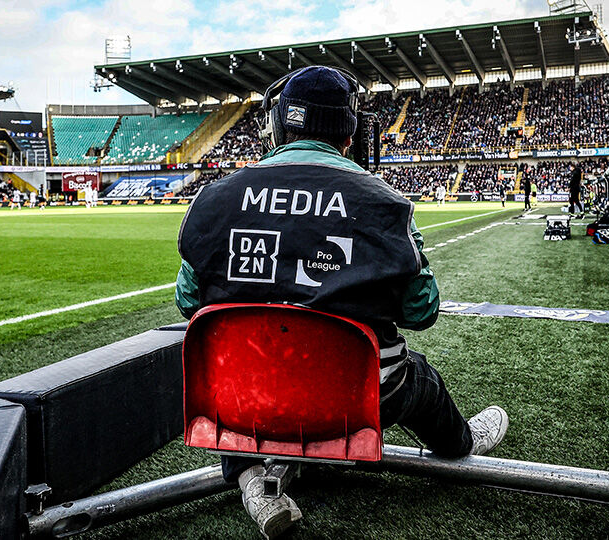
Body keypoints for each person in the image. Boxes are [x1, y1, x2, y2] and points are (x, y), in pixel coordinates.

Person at [174, 66, 509, 539]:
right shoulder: (385, 203)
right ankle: (462, 443)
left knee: (241, 360)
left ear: (278, 126)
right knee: (420, 379)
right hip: (356, 400)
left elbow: (188, 300)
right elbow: (422, 311)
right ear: (350, 137)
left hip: (245, 398)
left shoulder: (213, 199)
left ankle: (250, 476)